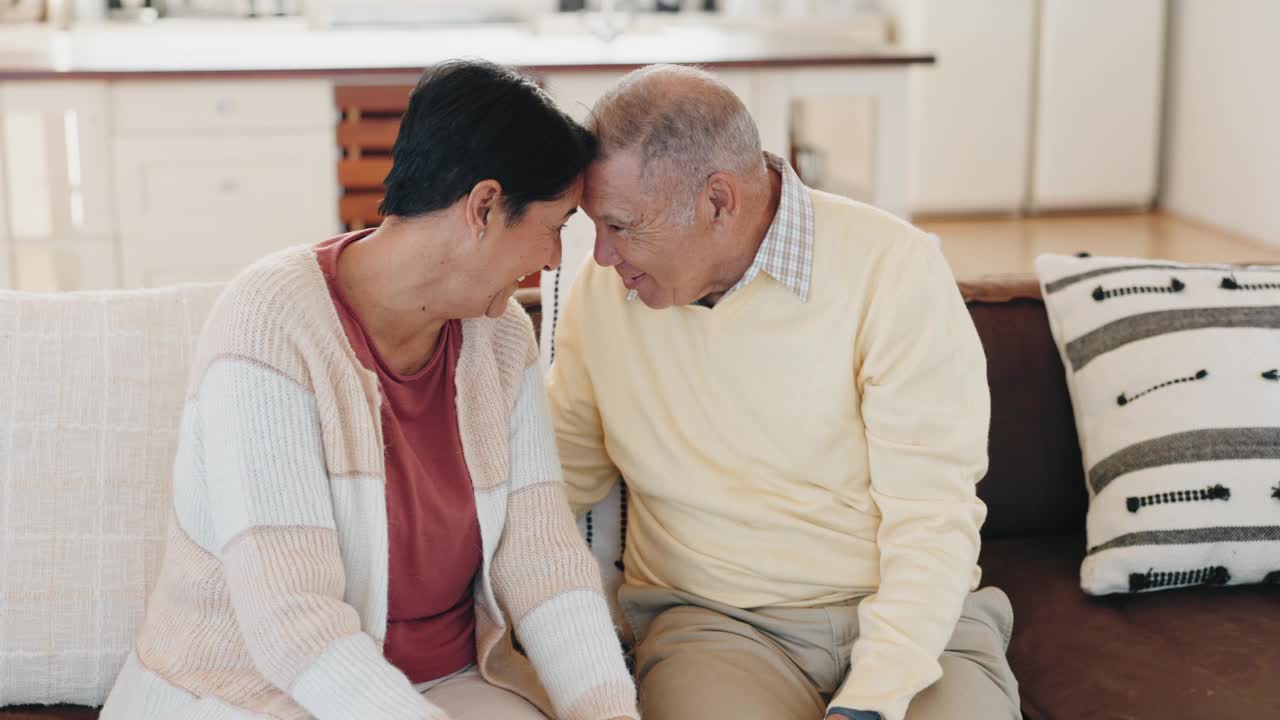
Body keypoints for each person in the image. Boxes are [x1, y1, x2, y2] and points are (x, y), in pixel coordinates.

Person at [102, 60, 638, 720]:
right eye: (555, 225)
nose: (556, 258)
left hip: (448, 686)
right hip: (255, 694)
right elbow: (295, 625)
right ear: (484, 206)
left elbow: (542, 561)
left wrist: (610, 713)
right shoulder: (272, 325)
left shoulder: (499, 338)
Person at [547, 64, 1020, 720]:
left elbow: (932, 517)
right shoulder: (604, 297)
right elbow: (548, 481)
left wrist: (876, 699)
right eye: (594, 224)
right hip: (717, 627)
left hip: (919, 625)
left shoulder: (893, 268)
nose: (600, 255)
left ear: (718, 202)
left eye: (622, 226)